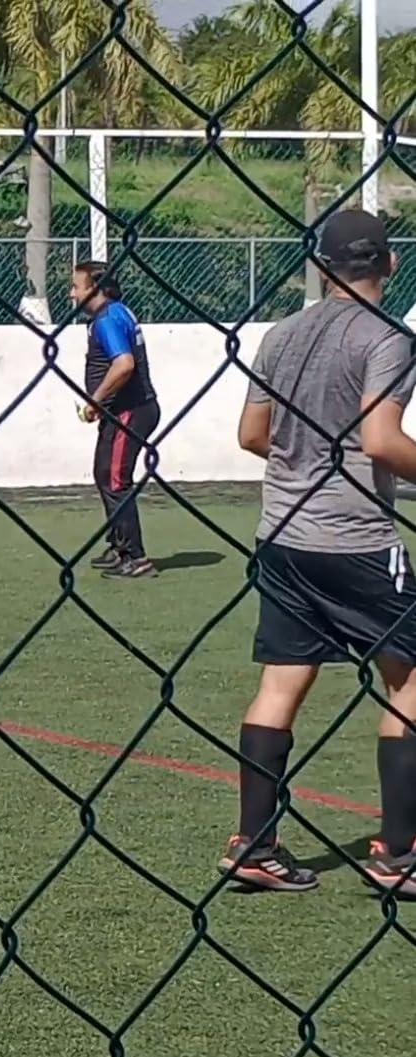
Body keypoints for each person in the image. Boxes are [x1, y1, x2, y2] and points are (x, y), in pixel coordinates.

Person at [223, 208, 416, 896]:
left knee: (281, 682)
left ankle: (254, 843)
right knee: (411, 680)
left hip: (280, 537)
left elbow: (251, 434)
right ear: (387, 266)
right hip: (356, 540)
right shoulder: (387, 338)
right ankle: (400, 853)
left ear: (321, 267)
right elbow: (382, 440)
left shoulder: (281, 334)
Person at [72, 260, 162, 578]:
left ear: (94, 288)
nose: (71, 294)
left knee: (115, 480)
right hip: (122, 411)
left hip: (131, 411)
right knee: (103, 473)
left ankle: (135, 557)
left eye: (76, 287)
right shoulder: (116, 312)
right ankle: (119, 544)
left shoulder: (107, 319)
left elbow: (123, 365)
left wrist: (95, 399)